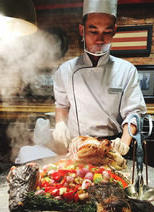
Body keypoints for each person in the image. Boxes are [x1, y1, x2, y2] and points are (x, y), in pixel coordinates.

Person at [52, 0, 146, 155]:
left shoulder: (126, 70)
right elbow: (62, 105)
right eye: (93, 31)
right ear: (82, 30)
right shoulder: (66, 70)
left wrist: (124, 142)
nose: (100, 40)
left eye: (107, 32)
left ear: (115, 30)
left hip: (112, 146)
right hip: (78, 146)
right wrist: (60, 125)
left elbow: (133, 113)